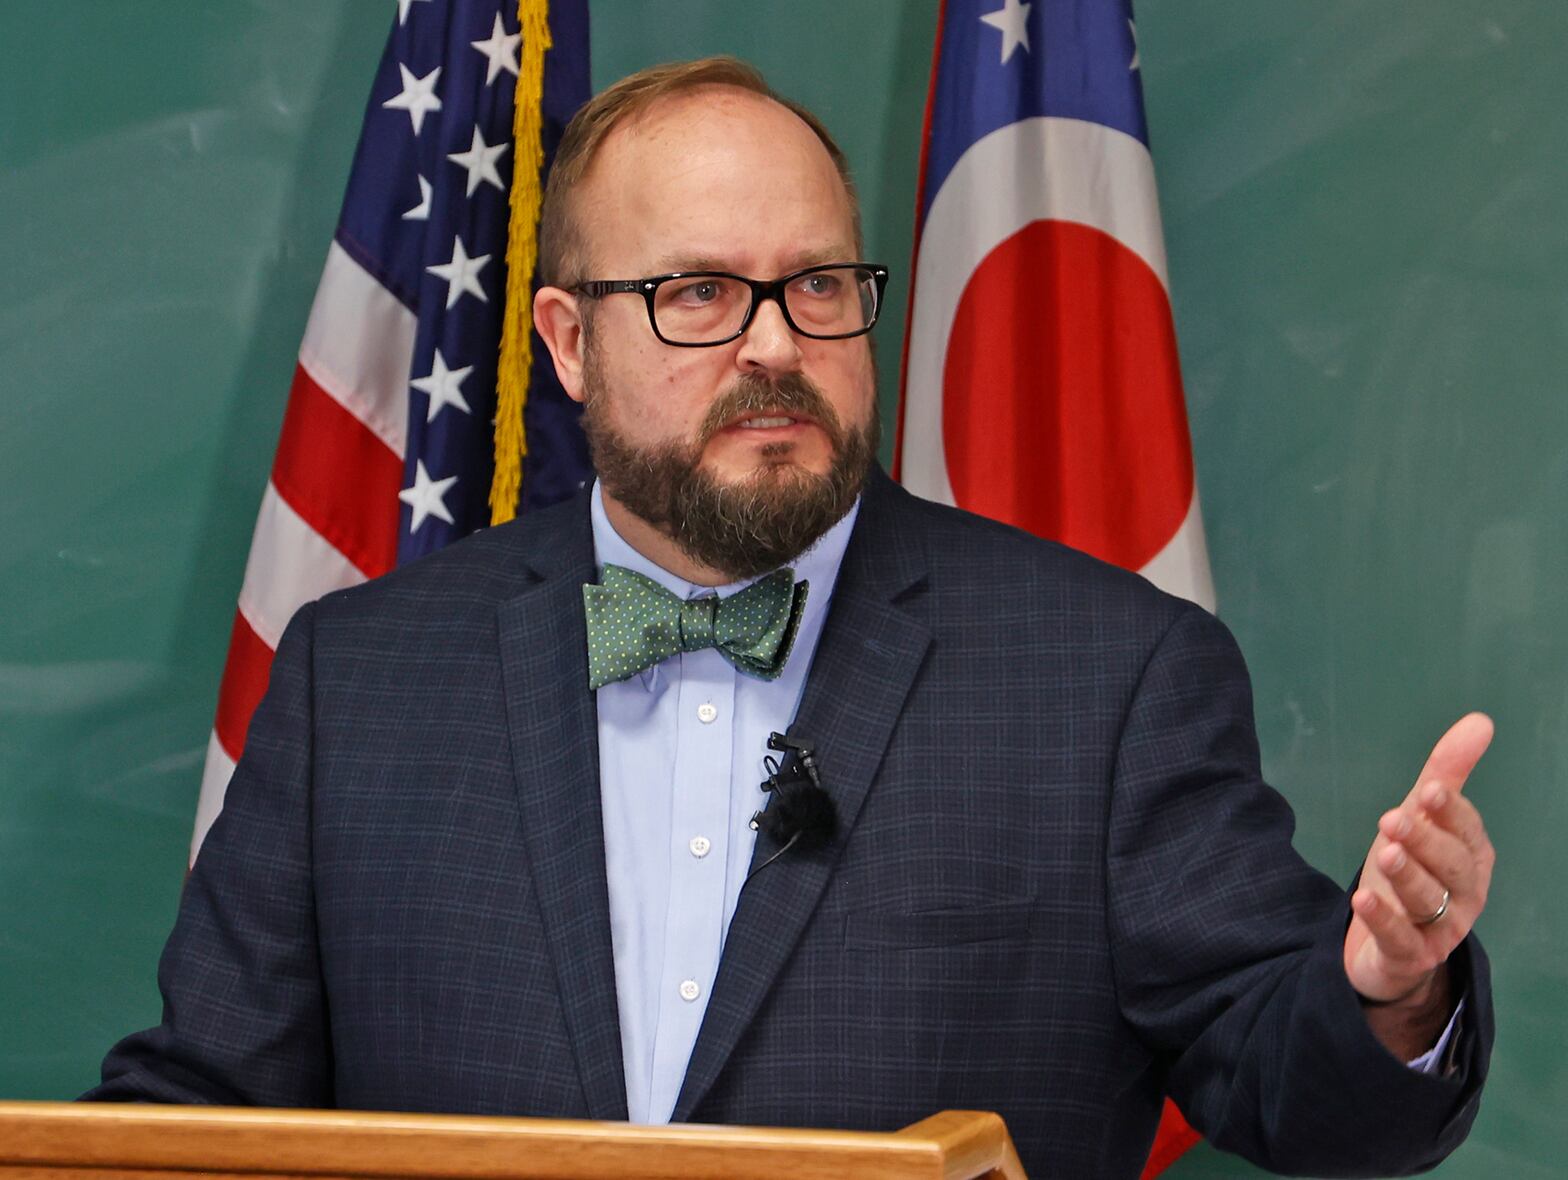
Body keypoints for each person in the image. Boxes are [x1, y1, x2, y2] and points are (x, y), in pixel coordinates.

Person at [89, 58, 1496, 1179]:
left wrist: (1389, 992)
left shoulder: (1110, 677)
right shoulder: (362, 681)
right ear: (570, 343)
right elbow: (202, 1111)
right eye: (699, 292)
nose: (774, 343)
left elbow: (1298, 1090)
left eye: (817, 285)